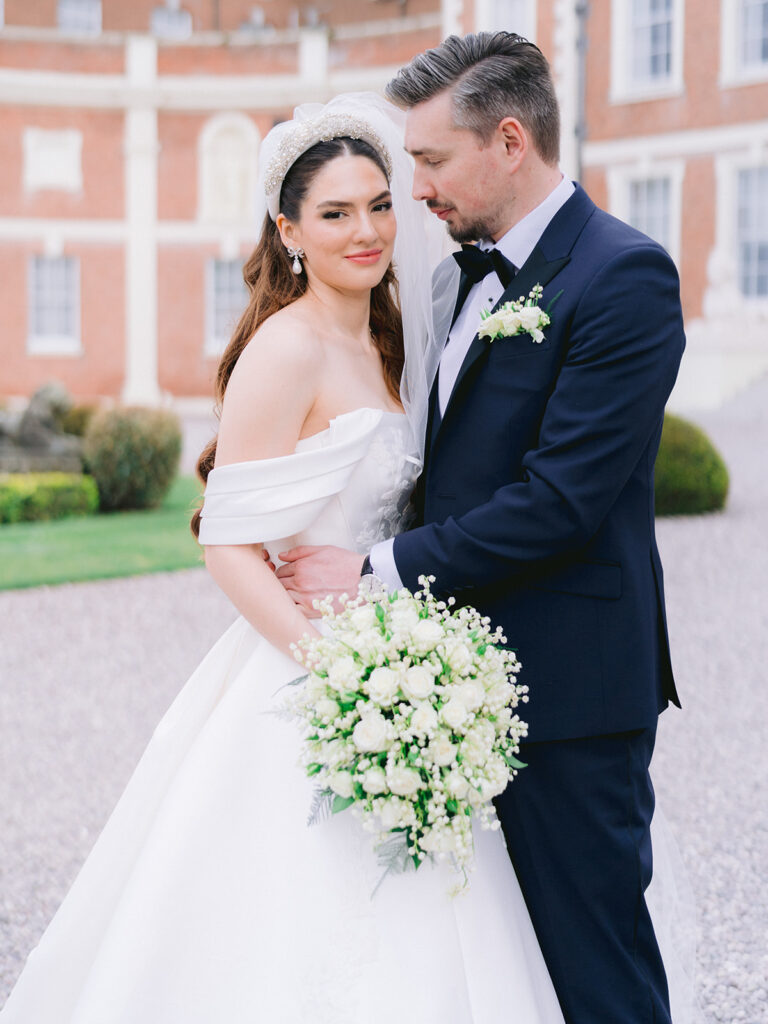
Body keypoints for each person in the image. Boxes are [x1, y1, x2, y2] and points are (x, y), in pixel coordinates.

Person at [0, 93, 568, 1024]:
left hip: (406, 661)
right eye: (336, 213)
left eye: (381, 205)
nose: (368, 231)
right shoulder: (285, 348)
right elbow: (229, 548)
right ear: (289, 228)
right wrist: (340, 674)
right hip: (312, 670)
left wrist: (407, 672)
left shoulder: (389, 341)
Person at [275, 34, 688, 1024]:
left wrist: (374, 568)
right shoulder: (454, 278)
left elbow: (562, 499)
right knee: (485, 970)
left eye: (429, 160)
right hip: (445, 683)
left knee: (596, 969)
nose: (413, 188)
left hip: (570, 693)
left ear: (510, 140)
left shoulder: (624, 276)